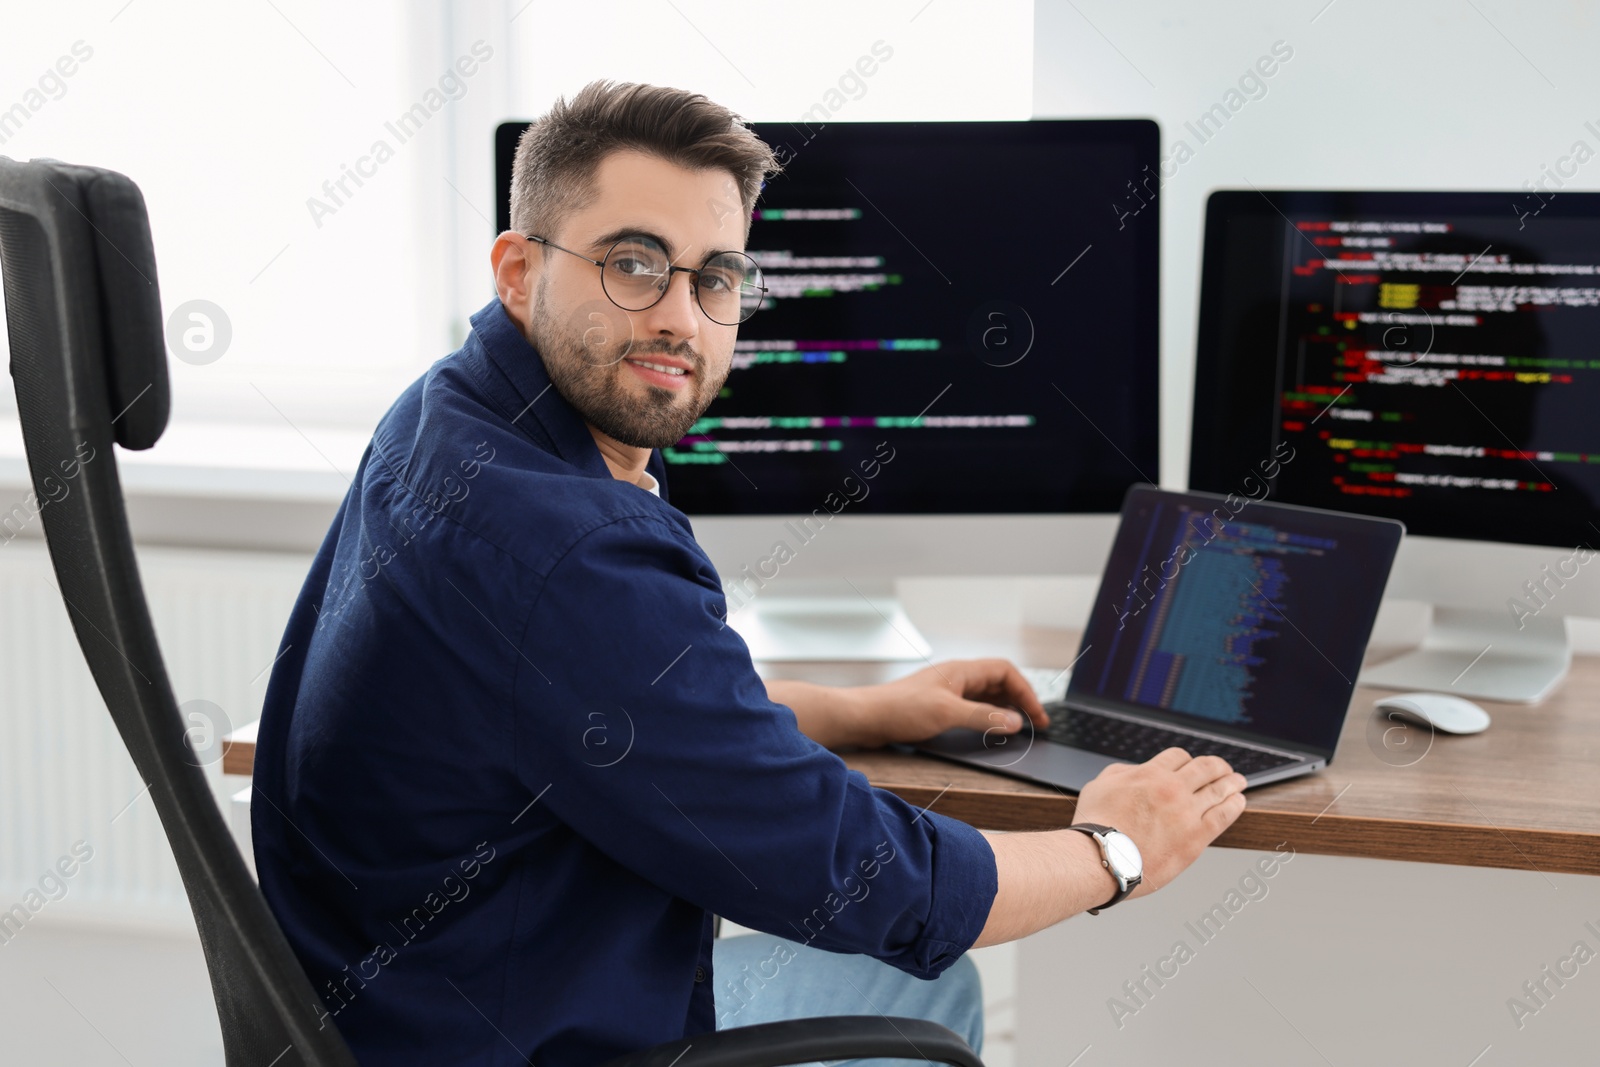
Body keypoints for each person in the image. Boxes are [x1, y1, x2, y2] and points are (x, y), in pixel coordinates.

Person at [252, 79, 1247, 1067]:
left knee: (922, 989)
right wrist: (1113, 850)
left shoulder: (450, 412)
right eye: (634, 263)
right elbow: (867, 878)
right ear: (519, 269)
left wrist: (857, 709)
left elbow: (600, 702)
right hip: (512, 1030)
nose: (681, 317)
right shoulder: (569, 548)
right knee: (920, 976)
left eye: (714, 275)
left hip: (419, 993)